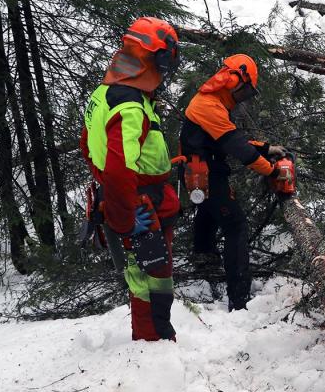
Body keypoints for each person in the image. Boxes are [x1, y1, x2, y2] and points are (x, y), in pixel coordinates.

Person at [81, 17, 182, 341]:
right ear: (152, 59)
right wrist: (125, 218)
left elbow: (87, 144)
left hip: (135, 197)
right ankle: (154, 343)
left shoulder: (104, 92)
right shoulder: (129, 105)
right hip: (140, 205)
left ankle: (153, 338)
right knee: (152, 277)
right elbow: (119, 168)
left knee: (145, 275)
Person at [179, 55, 295, 311]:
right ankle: (239, 297)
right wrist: (273, 171)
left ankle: (204, 260)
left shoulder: (214, 103)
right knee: (235, 225)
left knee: (208, 213)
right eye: (245, 90)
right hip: (204, 174)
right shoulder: (208, 105)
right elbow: (239, 149)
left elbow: (229, 139)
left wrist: (266, 148)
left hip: (203, 171)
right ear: (233, 81)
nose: (244, 96)